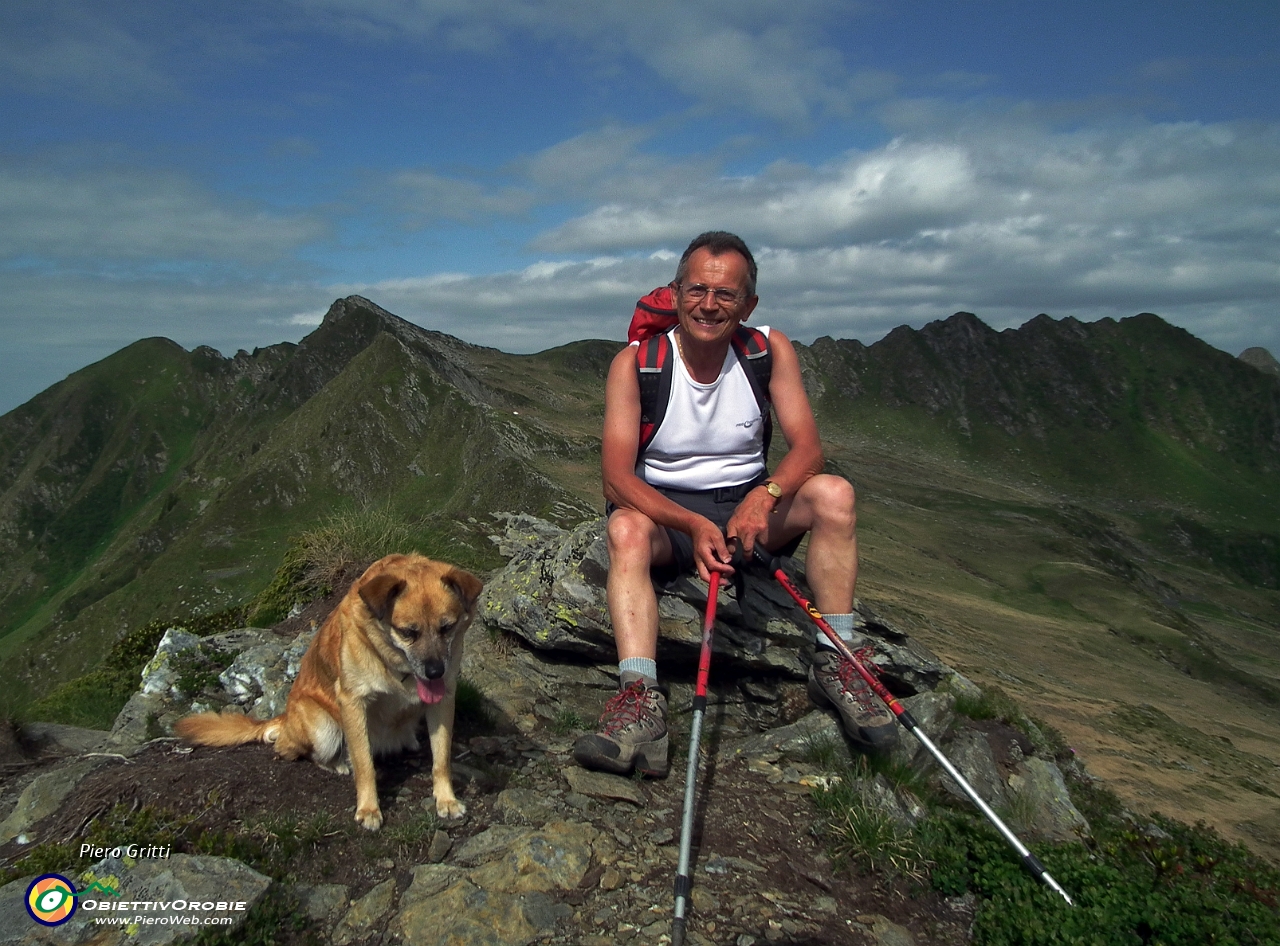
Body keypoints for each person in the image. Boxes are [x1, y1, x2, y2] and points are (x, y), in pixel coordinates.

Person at [572, 231, 897, 777]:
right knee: (625, 530)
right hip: (666, 515)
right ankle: (641, 701)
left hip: (751, 508)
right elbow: (614, 479)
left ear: (749, 304)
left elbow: (810, 450)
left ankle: (836, 661)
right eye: (697, 289)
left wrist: (764, 496)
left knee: (834, 495)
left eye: (726, 294)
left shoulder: (768, 351)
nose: (709, 304)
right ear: (675, 293)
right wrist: (692, 523)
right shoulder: (636, 364)